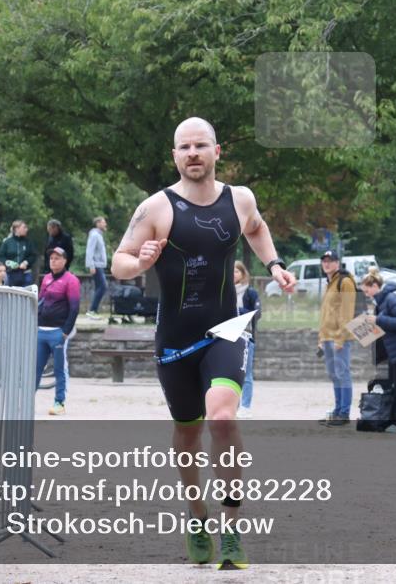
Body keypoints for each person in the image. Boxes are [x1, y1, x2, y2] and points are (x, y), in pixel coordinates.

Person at [111, 117, 295, 570]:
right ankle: (197, 515)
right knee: (189, 431)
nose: (193, 153)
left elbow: (256, 227)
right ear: (174, 156)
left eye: (200, 145)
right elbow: (119, 262)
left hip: (225, 329)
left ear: (217, 151)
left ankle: (231, 528)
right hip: (175, 339)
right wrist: (141, 262)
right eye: (184, 147)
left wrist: (274, 265)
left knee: (223, 418)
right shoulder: (156, 207)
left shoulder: (240, 198)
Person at [361, 267, 396, 433]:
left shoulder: (391, 299)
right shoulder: (381, 301)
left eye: (367, 290)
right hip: (392, 350)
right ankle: (391, 419)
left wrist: (378, 319)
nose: (366, 293)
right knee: (392, 385)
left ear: (375, 286)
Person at [37, 247, 80, 416]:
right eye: (51, 258)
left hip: (58, 331)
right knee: (35, 368)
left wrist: (65, 332)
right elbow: (40, 302)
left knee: (59, 369)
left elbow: (74, 308)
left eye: (57, 258)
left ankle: (59, 402)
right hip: (41, 330)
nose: (53, 261)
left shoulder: (71, 280)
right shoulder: (46, 278)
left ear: (64, 261)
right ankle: (26, 401)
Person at [316, 249, 357, 427]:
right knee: (334, 375)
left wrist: (341, 338)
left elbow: (347, 312)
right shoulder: (329, 283)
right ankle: (338, 410)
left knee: (342, 374)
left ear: (337, 263)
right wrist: (320, 337)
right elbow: (326, 313)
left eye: (330, 261)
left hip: (339, 337)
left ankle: (344, 413)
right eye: (324, 261)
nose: (326, 264)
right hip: (327, 337)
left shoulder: (344, 282)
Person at [234, 261, 260, 418]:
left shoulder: (250, 293)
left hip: (245, 336)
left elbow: (257, 313)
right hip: (227, 337)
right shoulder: (224, 291)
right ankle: (233, 405)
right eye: (231, 271)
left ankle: (245, 406)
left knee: (247, 374)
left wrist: (237, 311)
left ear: (243, 274)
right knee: (230, 373)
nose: (233, 274)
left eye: (236, 271)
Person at [0, 221, 36, 287]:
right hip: (10, 274)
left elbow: (33, 255)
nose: (26, 229)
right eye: (24, 227)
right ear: (17, 229)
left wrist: (26, 262)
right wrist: (9, 263)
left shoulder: (28, 242)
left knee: (25, 292)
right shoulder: (7, 242)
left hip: (25, 274)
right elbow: (0, 257)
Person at [84, 216, 109, 318]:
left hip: (99, 265)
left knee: (100, 287)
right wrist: (91, 265)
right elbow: (89, 251)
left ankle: (93, 311)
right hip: (96, 265)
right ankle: (92, 310)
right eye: (103, 222)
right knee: (103, 286)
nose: (105, 224)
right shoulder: (94, 235)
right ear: (98, 223)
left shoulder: (99, 235)